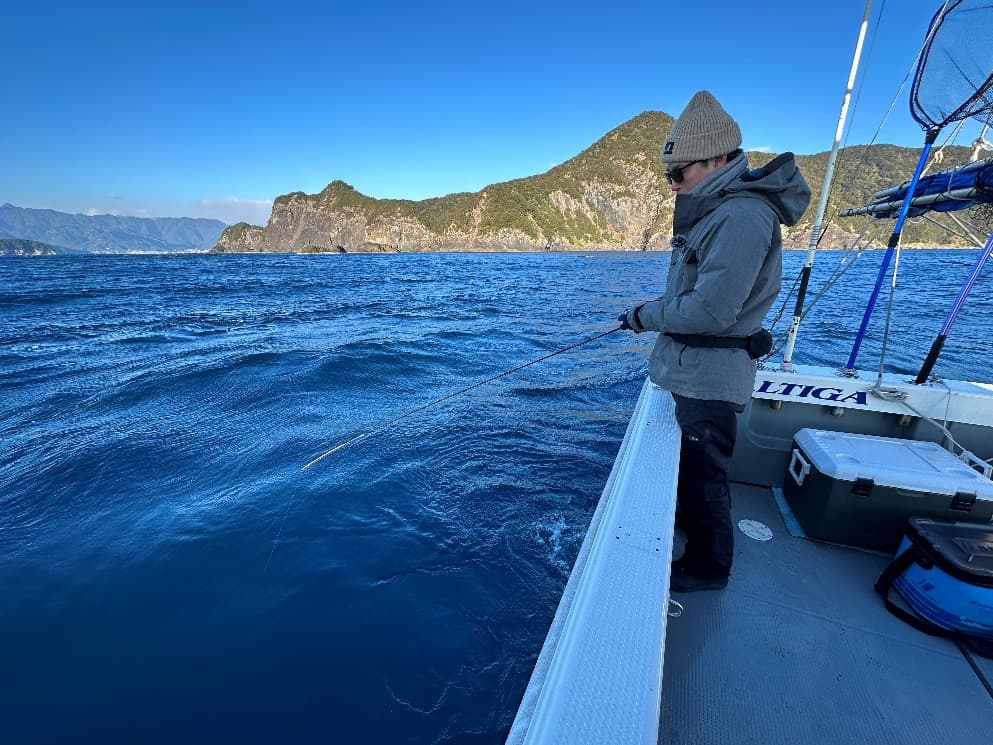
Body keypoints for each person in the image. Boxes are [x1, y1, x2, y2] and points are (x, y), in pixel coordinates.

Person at [618, 90, 811, 592]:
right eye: (669, 174)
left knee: (706, 479)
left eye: (678, 173)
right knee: (694, 473)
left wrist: (643, 316)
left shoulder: (742, 216)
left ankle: (709, 568)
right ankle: (693, 540)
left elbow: (711, 310)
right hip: (694, 373)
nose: (673, 184)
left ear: (718, 159)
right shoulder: (718, 213)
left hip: (711, 379)